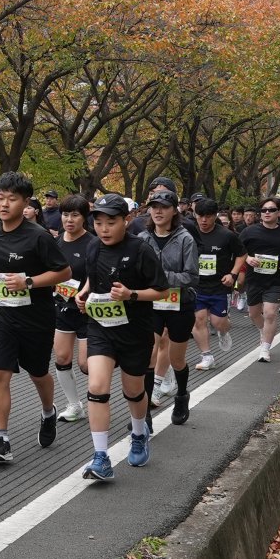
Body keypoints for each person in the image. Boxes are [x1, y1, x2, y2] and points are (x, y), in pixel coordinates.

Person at [0, 171, 71, 464]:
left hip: (36, 317)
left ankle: (48, 411)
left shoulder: (38, 236)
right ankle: (2, 439)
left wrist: (28, 282)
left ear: (25, 202)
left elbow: (63, 272)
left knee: (38, 373)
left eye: (11, 199)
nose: (4, 204)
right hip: (2, 315)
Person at [77, 194, 169, 483]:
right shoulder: (93, 247)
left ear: (125, 221)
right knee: (97, 386)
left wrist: (131, 295)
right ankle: (101, 457)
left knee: (133, 391)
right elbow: (93, 278)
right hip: (100, 326)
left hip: (135, 330)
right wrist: (84, 294)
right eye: (99, 222)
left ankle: (139, 432)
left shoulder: (141, 249)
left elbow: (162, 290)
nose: (104, 229)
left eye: (110, 222)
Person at [142, 190, 199, 426]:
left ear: (174, 210)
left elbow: (191, 277)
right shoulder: (142, 238)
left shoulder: (186, 239)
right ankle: (143, 411)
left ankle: (182, 395)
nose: (158, 211)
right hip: (151, 304)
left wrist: (161, 278)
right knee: (148, 355)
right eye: (154, 207)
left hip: (180, 303)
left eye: (164, 207)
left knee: (176, 359)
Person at [52, 193, 98, 422]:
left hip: (87, 309)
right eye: (65, 214)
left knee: (85, 364)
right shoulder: (57, 242)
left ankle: (98, 400)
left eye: (75, 215)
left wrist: (85, 292)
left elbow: (95, 273)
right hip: (62, 307)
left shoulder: (93, 243)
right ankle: (74, 405)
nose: (69, 219)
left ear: (84, 217)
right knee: (61, 358)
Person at [237, 196, 280, 362]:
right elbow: (238, 250)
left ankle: (265, 349)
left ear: (278, 212)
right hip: (254, 279)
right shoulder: (249, 232)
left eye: (271, 210)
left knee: (270, 313)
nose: (267, 213)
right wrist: (248, 258)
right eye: (264, 210)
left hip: (275, 280)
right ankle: (263, 331)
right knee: (253, 313)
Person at [190, 198, 241, 371]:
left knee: (218, 322)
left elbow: (242, 255)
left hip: (220, 285)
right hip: (197, 285)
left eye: (208, 216)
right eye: (200, 216)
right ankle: (207, 356)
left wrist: (232, 274)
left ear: (215, 216)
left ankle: (223, 331)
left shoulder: (227, 235)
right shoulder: (190, 234)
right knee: (199, 320)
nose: (203, 220)